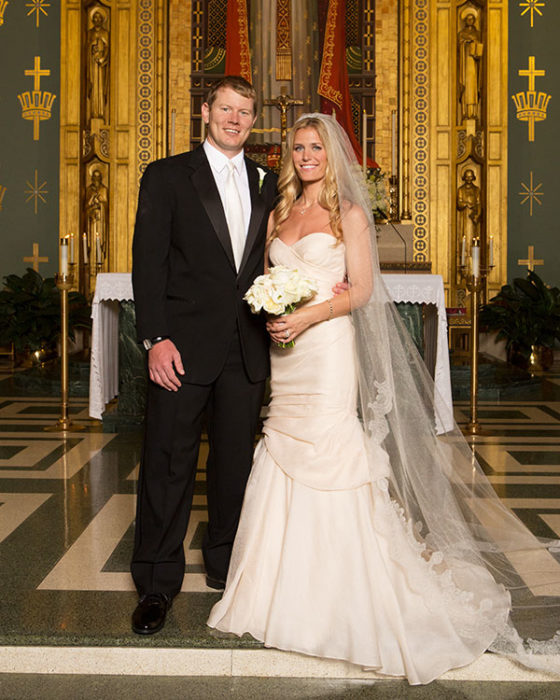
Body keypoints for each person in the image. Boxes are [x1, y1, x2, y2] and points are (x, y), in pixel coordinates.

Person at [208, 114, 560, 684]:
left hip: (326, 352)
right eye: (298, 148)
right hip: (285, 357)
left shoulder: (349, 215)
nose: (306, 156)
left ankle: (344, 589)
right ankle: (278, 587)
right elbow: (261, 278)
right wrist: (273, 310)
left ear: (332, 154)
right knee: (280, 445)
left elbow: (364, 291)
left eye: (316, 147)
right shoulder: (278, 213)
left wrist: (307, 316)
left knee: (331, 449)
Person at [130, 76, 278, 635]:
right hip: (181, 349)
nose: (234, 119)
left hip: (246, 350)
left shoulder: (268, 181)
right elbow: (148, 263)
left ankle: (225, 567)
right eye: (226, 109)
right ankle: (156, 583)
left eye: (245, 112)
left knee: (234, 467)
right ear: (206, 112)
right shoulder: (167, 176)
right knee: (168, 465)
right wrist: (156, 338)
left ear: (253, 120)